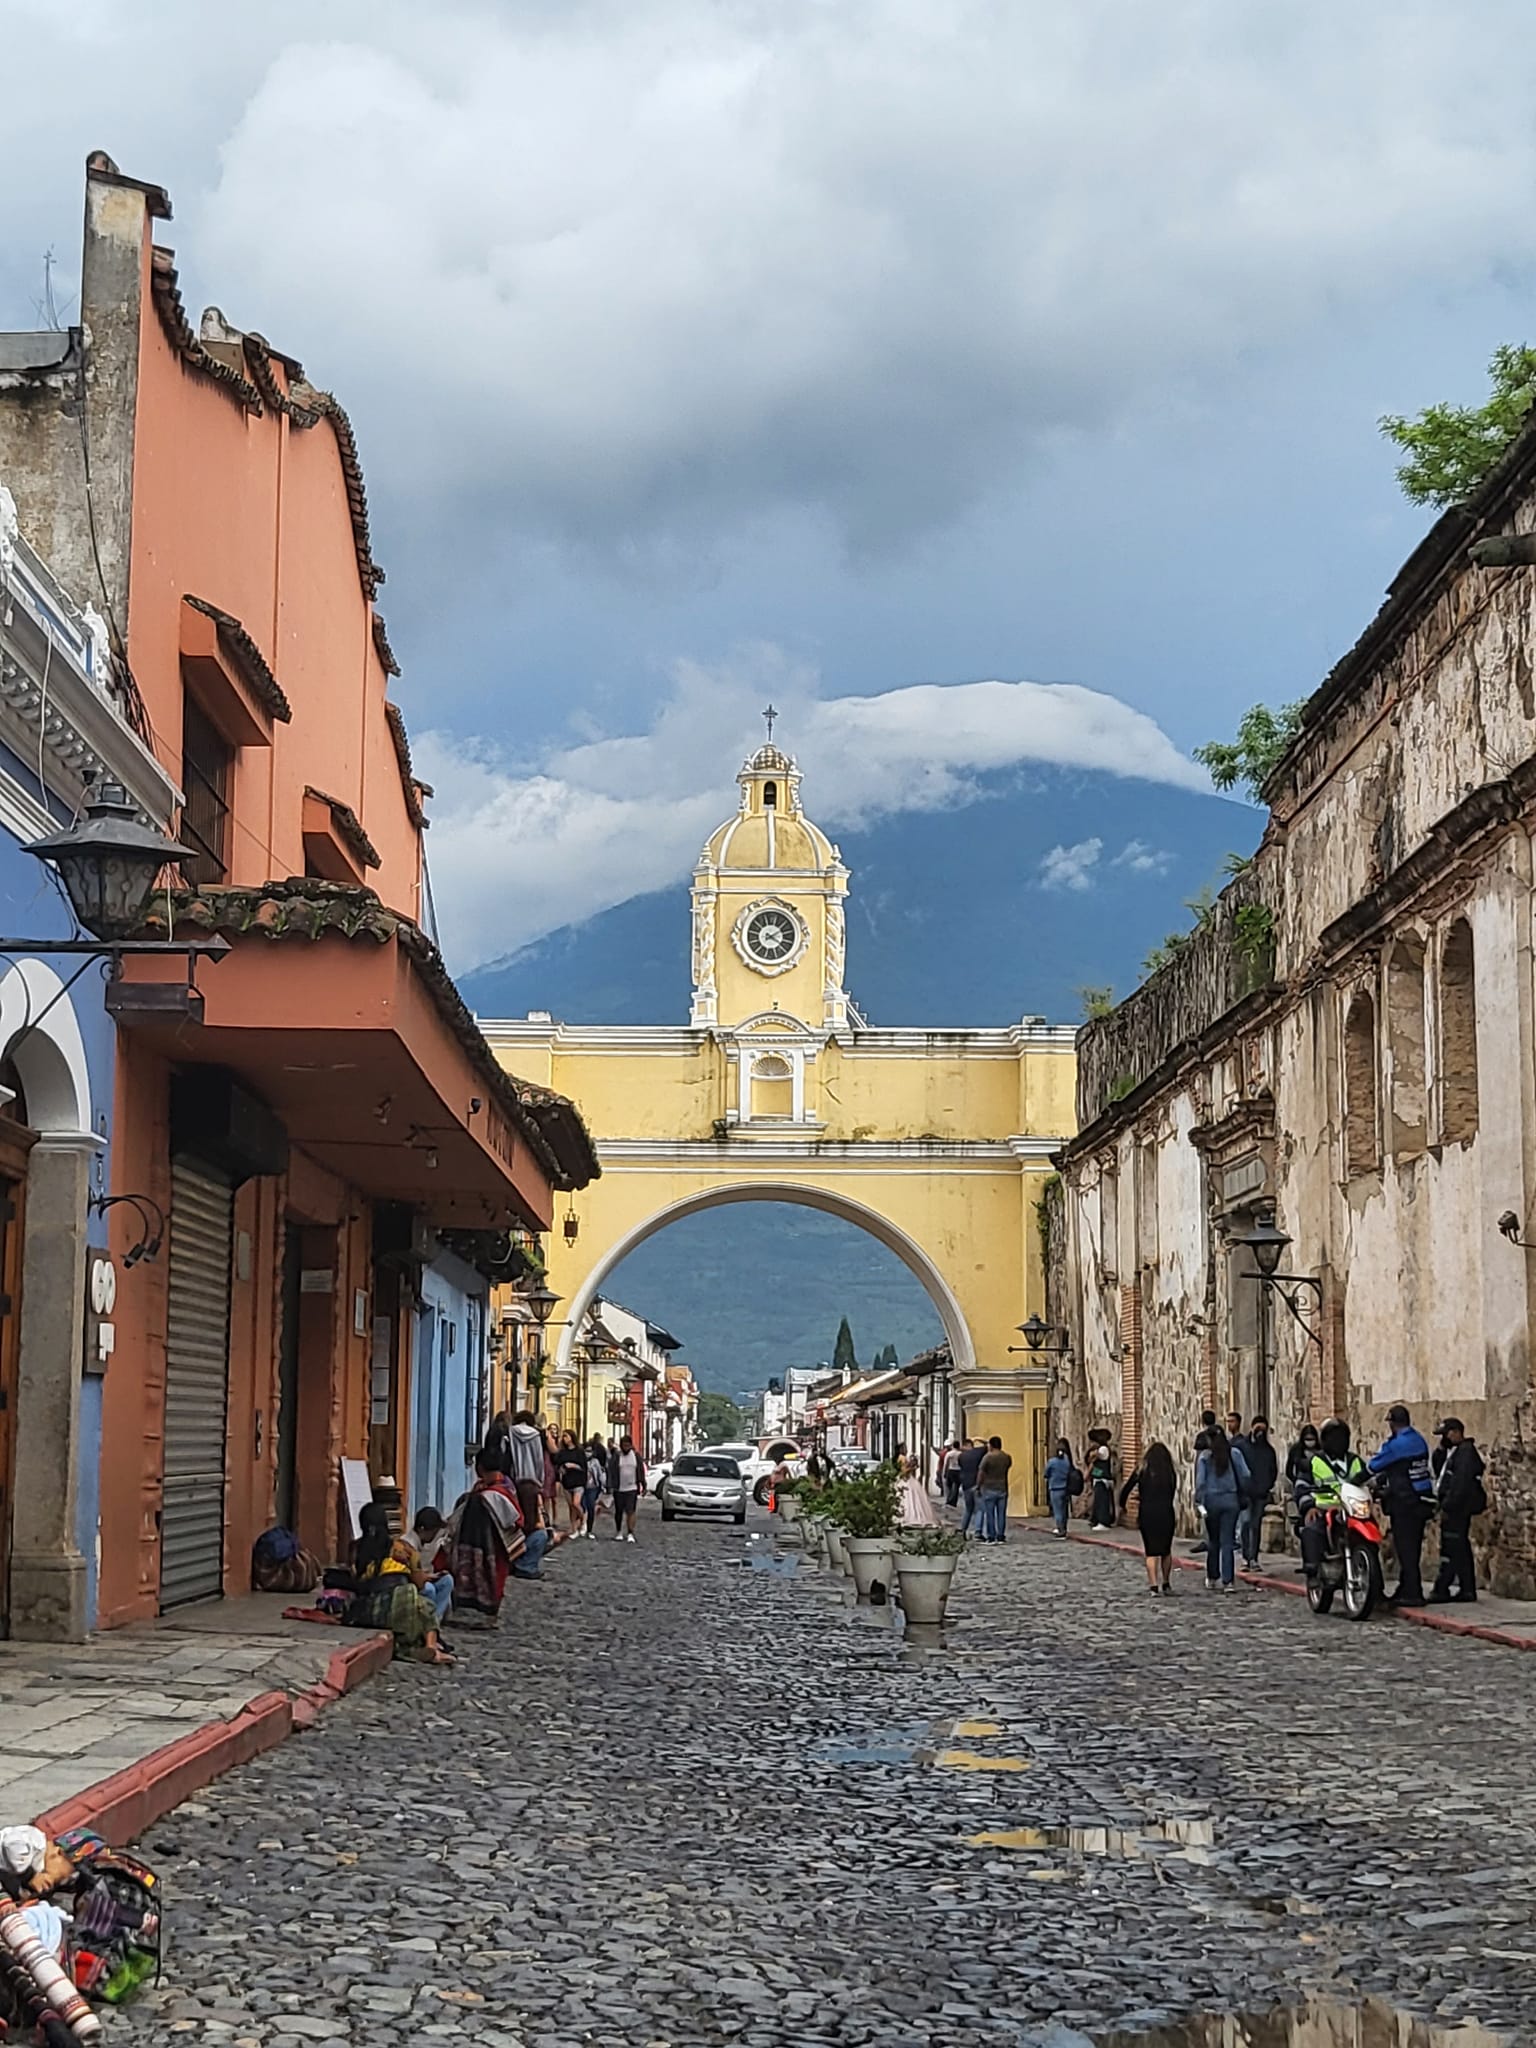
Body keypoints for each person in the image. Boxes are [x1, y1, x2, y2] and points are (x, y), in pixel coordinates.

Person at [352, 1503, 454, 1662]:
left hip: (366, 1609)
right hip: (397, 1604)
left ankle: (418, 1649)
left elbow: (355, 1578)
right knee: (427, 1607)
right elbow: (419, 1584)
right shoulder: (401, 1549)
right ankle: (432, 1646)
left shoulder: (355, 1548)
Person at [1368, 1403, 1435, 1607]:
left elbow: (1374, 1466)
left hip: (1404, 1502)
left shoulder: (1397, 1445)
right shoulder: (1419, 1440)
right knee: (1413, 1547)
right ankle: (1406, 1587)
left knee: (1405, 1548)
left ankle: (1412, 1592)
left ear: (1393, 1424)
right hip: (1421, 1499)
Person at [1294, 1418, 1367, 1578]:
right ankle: (1313, 1570)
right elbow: (1300, 1487)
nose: (1338, 1441)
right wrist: (1309, 1506)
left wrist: (1381, 1486)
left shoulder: (1355, 1461)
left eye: (1341, 1437)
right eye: (1333, 1437)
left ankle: (1375, 1585)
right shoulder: (1313, 1462)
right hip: (1324, 1508)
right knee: (1313, 1529)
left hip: (1352, 1508)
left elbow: (1369, 1478)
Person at [1430, 1418, 1487, 1604]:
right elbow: (1439, 1469)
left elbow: (1460, 1484)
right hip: (1453, 1507)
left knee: (1452, 1548)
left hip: (1458, 1509)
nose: (1444, 1439)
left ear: (1455, 1432)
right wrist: (1440, 1450)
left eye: (1446, 1435)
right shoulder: (1452, 1453)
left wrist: (1447, 1505)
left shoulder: (1466, 1453)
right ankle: (1466, 1588)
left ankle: (1443, 1588)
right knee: (1459, 1548)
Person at [1194, 1425, 1250, 1590]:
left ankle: (1212, 1576)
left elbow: (1201, 1482)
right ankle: (1228, 1581)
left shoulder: (1205, 1457)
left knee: (1213, 1541)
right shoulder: (1234, 1454)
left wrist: (1198, 1501)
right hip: (1231, 1499)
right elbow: (1246, 1474)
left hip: (1211, 1501)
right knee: (1228, 1541)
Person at [1119, 1440, 1178, 1592]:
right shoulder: (1170, 1472)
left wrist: (1123, 1505)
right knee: (1166, 1550)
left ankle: (1153, 1585)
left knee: (1151, 1551)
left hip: (1148, 1512)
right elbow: (1171, 1491)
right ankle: (1166, 1582)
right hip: (1166, 1511)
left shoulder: (1141, 1470)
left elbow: (1126, 1489)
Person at [1238, 1415, 1278, 1567]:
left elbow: (1273, 1471)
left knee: (1255, 1525)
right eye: (1258, 1428)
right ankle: (1245, 1556)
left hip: (1260, 1494)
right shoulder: (1242, 1447)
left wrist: (1267, 1486)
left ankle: (1253, 1557)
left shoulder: (1268, 1451)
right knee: (1245, 1523)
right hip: (1245, 1493)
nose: (1260, 1432)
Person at [504, 1410, 548, 1537]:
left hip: (515, 1478)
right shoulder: (535, 1435)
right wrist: (540, 1480)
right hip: (532, 1480)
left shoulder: (511, 1432)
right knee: (531, 1516)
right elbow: (539, 1459)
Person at [407, 1506, 455, 1625]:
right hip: (409, 1583)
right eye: (432, 1532)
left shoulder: (419, 1544)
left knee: (447, 1581)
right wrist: (429, 1577)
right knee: (429, 1589)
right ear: (422, 1529)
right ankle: (428, 1623)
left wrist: (434, 1576)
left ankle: (435, 1619)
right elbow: (415, 1578)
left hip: (417, 1578)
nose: (434, 1536)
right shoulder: (409, 1544)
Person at [608, 1434, 646, 1542]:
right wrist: (610, 1485)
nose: (626, 1448)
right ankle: (619, 1531)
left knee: (631, 1511)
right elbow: (611, 1470)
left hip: (632, 1488)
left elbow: (640, 1471)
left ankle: (630, 1532)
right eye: (624, 1446)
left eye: (628, 1445)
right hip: (619, 1488)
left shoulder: (636, 1456)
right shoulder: (616, 1456)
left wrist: (643, 1484)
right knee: (619, 1511)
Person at [976, 1436, 1013, 1542]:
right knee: (1001, 1514)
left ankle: (991, 1535)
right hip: (1002, 1487)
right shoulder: (1006, 1457)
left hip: (989, 1488)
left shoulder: (987, 1457)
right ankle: (1001, 1534)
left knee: (990, 1514)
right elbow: (1008, 1466)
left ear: (991, 1445)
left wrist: (978, 1486)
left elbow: (981, 1473)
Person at [555, 1431, 587, 1533]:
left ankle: (583, 1519)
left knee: (576, 1503)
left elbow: (584, 1467)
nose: (564, 1438)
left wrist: (573, 1465)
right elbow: (557, 1464)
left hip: (578, 1481)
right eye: (563, 1436)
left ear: (572, 1437)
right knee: (571, 1507)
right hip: (567, 1481)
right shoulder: (562, 1452)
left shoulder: (579, 1451)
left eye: (566, 1436)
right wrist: (561, 1470)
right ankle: (574, 1529)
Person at [1043, 1439, 1076, 1536]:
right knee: (1064, 1510)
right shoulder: (1067, 1462)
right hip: (1065, 1488)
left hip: (1055, 1488)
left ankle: (1060, 1529)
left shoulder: (1052, 1462)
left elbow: (1046, 1474)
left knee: (1057, 1511)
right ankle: (1064, 1528)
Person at [896, 1452, 938, 1527]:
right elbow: (904, 1471)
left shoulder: (902, 1457)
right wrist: (912, 1468)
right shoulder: (902, 1458)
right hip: (907, 1480)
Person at [956, 1437, 986, 1535]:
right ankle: (978, 1531)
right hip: (976, 1484)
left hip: (966, 1484)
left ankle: (963, 1528)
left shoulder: (961, 1456)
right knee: (979, 1509)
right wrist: (977, 1439)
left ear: (966, 1445)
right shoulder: (978, 1453)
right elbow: (988, 1444)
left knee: (968, 1509)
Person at [580, 1436, 607, 1538]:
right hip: (582, 1486)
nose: (588, 1453)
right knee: (582, 1507)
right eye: (586, 1451)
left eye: (590, 1451)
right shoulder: (580, 1461)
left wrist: (603, 1486)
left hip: (593, 1487)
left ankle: (589, 1530)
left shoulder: (595, 1462)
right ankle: (583, 1525)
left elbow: (600, 1474)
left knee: (590, 1507)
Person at [1087, 1440, 1116, 1530]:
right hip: (1098, 1478)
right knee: (1098, 1501)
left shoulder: (1103, 1449)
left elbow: (1094, 1456)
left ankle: (1103, 1521)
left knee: (1102, 1501)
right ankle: (1095, 1519)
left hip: (1103, 1480)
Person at [941, 1442, 964, 1511]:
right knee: (956, 1487)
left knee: (949, 1486)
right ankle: (953, 1501)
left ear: (953, 1446)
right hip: (958, 1470)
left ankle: (949, 1500)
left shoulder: (949, 1454)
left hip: (951, 1470)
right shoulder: (961, 1454)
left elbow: (946, 1463)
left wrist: (944, 1472)